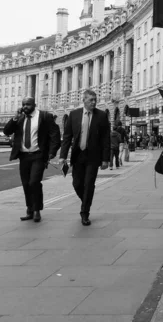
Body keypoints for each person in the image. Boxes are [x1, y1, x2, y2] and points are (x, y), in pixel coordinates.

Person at [3, 97, 61, 222]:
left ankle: (36, 210)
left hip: (38, 155)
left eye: (28, 104)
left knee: (34, 182)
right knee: (26, 184)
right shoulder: (20, 118)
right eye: (23, 104)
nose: (25, 107)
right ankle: (29, 209)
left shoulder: (44, 117)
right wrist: (14, 118)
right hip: (24, 156)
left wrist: (52, 152)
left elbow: (55, 134)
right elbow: (6, 131)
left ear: (34, 104)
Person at [58, 89, 110, 226]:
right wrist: (62, 156)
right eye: (91, 100)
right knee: (77, 184)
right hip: (78, 155)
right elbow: (67, 137)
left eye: (95, 100)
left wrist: (106, 159)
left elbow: (106, 139)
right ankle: (86, 200)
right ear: (84, 100)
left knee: (89, 184)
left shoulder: (102, 116)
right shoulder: (74, 115)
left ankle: (85, 212)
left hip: (93, 156)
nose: (94, 102)